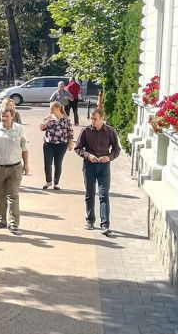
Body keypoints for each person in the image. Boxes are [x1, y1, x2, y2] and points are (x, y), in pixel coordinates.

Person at [0, 106, 30, 232]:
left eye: (6, 116)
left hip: (15, 168)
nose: (4, 118)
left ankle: (14, 223)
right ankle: (1, 220)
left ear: (12, 116)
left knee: (13, 195)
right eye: (2, 116)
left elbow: (24, 148)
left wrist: (26, 164)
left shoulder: (19, 129)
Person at [74, 107, 120, 236]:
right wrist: (88, 155)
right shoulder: (86, 131)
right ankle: (90, 220)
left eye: (95, 119)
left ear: (102, 119)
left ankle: (105, 224)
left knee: (104, 194)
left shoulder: (110, 131)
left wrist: (109, 157)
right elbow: (78, 148)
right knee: (90, 193)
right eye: (91, 118)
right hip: (89, 166)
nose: (92, 121)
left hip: (104, 166)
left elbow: (116, 149)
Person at [39, 101, 74, 190]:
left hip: (61, 144)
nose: (51, 111)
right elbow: (41, 128)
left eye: (53, 109)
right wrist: (47, 121)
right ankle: (48, 181)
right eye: (50, 109)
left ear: (58, 109)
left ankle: (56, 183)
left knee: (58, 163)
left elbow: (70, 132)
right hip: (48, 144)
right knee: (47, 163)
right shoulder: (48, 118)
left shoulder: (66, 119)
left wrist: (70, 143)